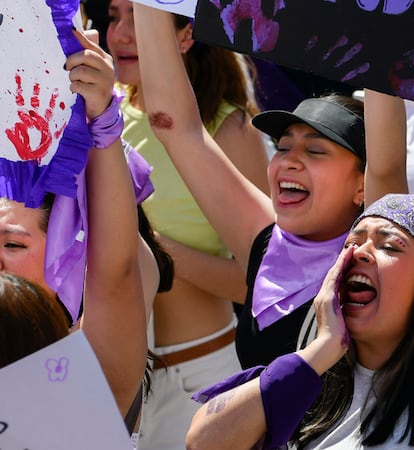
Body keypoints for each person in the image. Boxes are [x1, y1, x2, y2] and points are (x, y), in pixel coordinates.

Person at [182, 2, 414, 447]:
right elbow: (202, 442)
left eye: (391, 245)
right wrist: (320, 351)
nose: (359, 251)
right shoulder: (311, 376)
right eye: (352, 241)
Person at [131, 2, 369, 375]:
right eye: (283, 147)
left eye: (315, 151)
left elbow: (388, 165)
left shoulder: (384, 260)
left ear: (363, 184)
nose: (289, 161)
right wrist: (149, 4)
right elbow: (174, 126)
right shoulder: (267, 244)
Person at [105, 1, 270, 448]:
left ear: (185, 34)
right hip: (109, 382)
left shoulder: (231, 128)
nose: (120, 34)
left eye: (137, 18)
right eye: (114, 16)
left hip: (200, 378)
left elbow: (263, 281)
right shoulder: (102, 114)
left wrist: (151, 249)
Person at [0, 27, 152, 444]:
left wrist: (100, 118)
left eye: (13, 244)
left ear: (68, 256)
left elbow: (116, 272)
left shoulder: (91, 371)